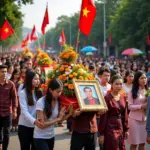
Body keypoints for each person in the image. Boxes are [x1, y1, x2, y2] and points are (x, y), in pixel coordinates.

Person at [34, 78, 72, 150]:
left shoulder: (58, 101)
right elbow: (42, 125)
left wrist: (70, 113)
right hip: (40, 137)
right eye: (58, 92)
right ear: (51, 90)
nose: (59, 94)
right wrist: (58, 118)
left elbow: (59, 121)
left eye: (61, 91)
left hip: (51, 136)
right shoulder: (41, 102)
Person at [99, 75, 129, 150]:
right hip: (110, 126)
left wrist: (126, 129)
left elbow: (125, 114)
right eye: (116, 84)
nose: (119, 86)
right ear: (111, 84)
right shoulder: (107, 97)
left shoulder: (123, 96)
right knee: (112, 146)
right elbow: (104, 116)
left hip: (120, 126)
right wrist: (102, 133)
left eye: (121, 84)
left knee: (120, 146)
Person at [18, 70, 43, 150]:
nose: (37, 81)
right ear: (29, 79)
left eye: (38, 79)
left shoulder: (39, 92)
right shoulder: (23, 93)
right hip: (24, 126)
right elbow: (24, 111)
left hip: (36, 127)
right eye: (35, 79)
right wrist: (34, 121)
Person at [127, 71, 148, 150]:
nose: (144, 80)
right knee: (134, 143)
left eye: (145, 78)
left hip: (145, 120)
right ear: (137, 79)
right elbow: (129, 106)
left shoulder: (148, 91)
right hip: (134, 120)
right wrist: (142, 106)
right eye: (141, 78)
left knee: (142, 143)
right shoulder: (131, 92)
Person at [0, 65, 18, 150]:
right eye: (2, 72)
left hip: (7, 112)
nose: (4, 74)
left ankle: (4, 148)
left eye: (5, 72)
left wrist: (14, 110)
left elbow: (14, 98)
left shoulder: (11, 84)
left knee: (6, 132)